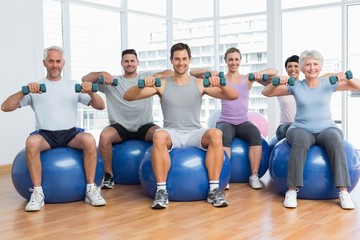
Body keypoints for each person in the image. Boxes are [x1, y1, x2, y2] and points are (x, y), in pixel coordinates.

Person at [123, 42, 238, 209]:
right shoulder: (161, 83)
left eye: (184, 58)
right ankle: (161, 192)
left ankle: (214, 189)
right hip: (172, 133)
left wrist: (221, 84)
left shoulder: (199, 83)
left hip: (194, 132)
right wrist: (142, 83)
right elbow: (129, 97)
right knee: (158, 135)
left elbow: (233, 96)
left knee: (216, 134)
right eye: (177, 59)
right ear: (171, 60)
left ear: (190, 59)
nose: (181, 62)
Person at [1, 46, 106, 211]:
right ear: (44, 63)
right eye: (51, 61)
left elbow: (100, 106)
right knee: (31, 142)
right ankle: (37, 193)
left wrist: (91, 93)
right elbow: (5, 107)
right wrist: (24, 91)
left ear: (63, 63)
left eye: (58, 61)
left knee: (90, 140)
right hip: (46, 135)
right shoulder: (36, 88)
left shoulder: (73, 85)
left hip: (70, 133)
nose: (55, 65)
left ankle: (91, 189)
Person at [261, 50, 360, 209]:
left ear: (320, 67)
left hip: (327, 128)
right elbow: (265, 93)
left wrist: (347, 76)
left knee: (335, 140)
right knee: (300, 142)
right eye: (307, 64)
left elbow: (358, 85)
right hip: (300, 128)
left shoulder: (328, 83)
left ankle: (343, 191)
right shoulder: (296, 86)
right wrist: (276, 81)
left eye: (315, 64)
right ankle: (292, 191)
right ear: (302, 68)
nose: (311, 67)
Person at [82, 49, 173, 189]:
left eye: (132, 61)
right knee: (105, 137)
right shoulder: (112, 81)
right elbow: (85, 79)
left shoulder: (146, 77)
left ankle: (160, 174)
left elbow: (171, 73)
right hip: (120, 127)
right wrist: (102, 74)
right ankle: (108, 175)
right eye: (126, 61)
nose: (129, 64)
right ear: (121, 63)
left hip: (144, 124)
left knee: (161, 135)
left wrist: (156, 76)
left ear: (137, 62)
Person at [190, 47, 278, 190]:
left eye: (236, 59)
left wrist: (259, 74)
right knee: (224, 137)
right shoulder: (220, 79)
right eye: (230, 59)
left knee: (255, 134)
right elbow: (193, 73)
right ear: (225, 61)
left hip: (243, 121)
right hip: (225, 121)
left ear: (240, 61)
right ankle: (225, 175)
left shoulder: (247, 79)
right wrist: (209, 73)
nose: (233, 62)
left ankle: (254, 176)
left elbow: (274, 71)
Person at [275, 55, 299, 140]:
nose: (293, 69)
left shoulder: (305, 86)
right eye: (289, 66)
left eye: (296, 66)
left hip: (302, 125)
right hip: (285, 127)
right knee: (293, 131)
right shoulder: (281, 87)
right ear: (286, 69)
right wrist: (279, 78)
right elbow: (266, 79)